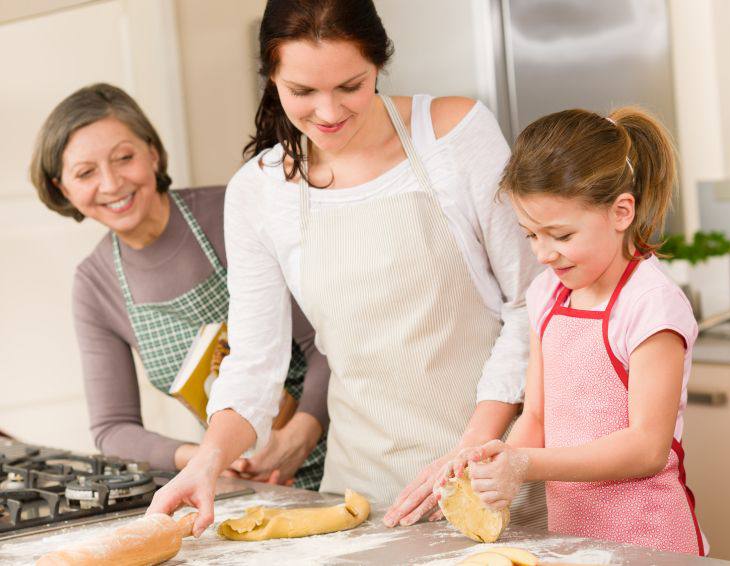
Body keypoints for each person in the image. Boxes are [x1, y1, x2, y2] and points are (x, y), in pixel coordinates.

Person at [147, 0, 545, 536]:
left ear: (379, 63)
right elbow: (255, 362)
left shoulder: (454, 135)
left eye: (350, 87)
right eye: (302, 91)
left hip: (495, 472)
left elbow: (532, 305)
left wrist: (473, 448)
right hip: (363, 492)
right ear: (272, 78)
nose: (329, 112)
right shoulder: (258, 191)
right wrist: (208, 460)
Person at [437, 106, 708, 555]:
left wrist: (526, 464)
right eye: (531, 235)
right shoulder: (547, 294)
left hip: (649, 541)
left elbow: (647, 448)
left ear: (621, 212)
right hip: (571, 538)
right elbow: (536, 417)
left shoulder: (650, 305)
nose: (543, 254)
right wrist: (498, 463)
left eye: (560, 236)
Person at [30, 83, 330, 489]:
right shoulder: (95, 284)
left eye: (124, 158)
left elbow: (323, 342)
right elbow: (113, 427)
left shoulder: (230, 212)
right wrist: (205, 457)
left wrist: (299, 437)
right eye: (85, 173)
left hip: (341, 450)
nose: (112, 183)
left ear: (153, 153)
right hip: (247, 481)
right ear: (61, 188)